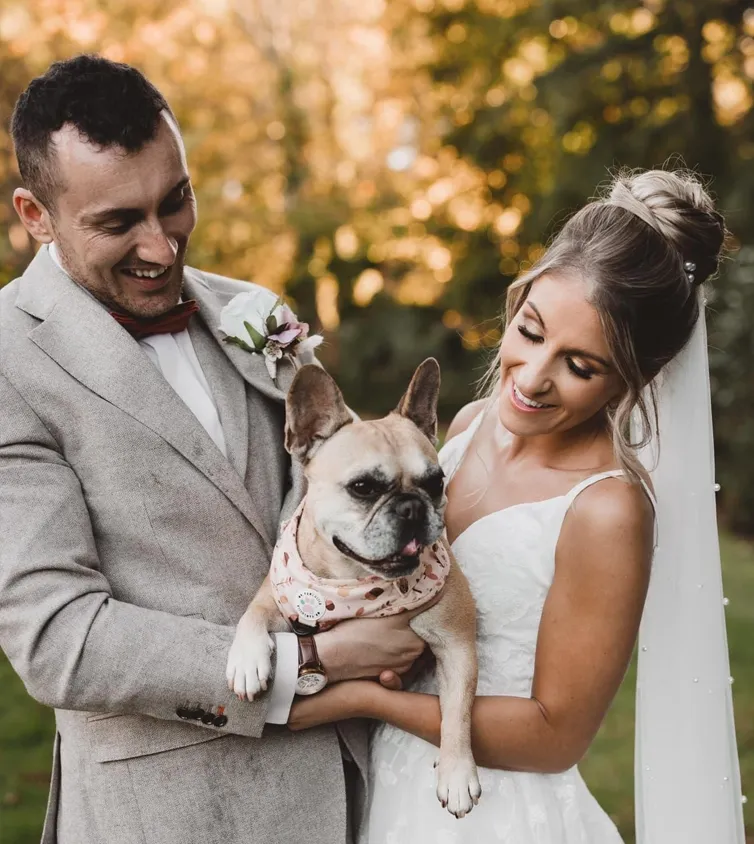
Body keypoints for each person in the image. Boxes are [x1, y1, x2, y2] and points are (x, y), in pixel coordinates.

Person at [0, 55, 426, 844]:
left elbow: (333, 501)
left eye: (175, 201)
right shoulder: (8, 361)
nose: (163, 249)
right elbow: (58, 638)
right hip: (173, 812)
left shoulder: (254, 313)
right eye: (118, 224)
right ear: (36, 214)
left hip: (356, 792)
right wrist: (314, 660)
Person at [287, 169, 746, 842]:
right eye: (530, 332)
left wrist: (361, 697)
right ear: (519, 298)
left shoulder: (606, 509)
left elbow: (554, 736)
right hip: (390, 784)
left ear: (635, 376)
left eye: (580, 367)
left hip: (496, 810)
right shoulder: (470, 425)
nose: (532, 378)